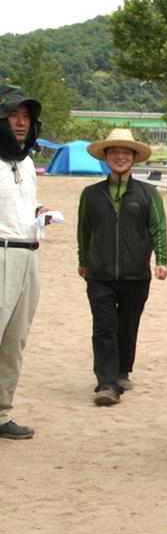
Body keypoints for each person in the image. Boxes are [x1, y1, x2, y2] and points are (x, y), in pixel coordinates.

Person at [77, 129, 167, 406]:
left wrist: (161, 260)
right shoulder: (90, 194)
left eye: (126, 152)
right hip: (99, 274)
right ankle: (106, 383)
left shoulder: (148, 193)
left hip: (136, 274)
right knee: (104, 327)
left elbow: (158, 228)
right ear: (105, 157)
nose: (120, 157)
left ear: (134, 158)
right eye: (114, 152)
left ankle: (122, 370)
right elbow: (84, 229)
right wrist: (83, 260)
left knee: (128, 325)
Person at [0, 87, 50, 439]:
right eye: (13, 115)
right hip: (0, 252)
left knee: (15, 340)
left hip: (28, 253)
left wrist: (38, 212)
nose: (21, 122)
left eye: (26, 116)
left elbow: (18, 207)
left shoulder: (27, 162)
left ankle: (1, 413)